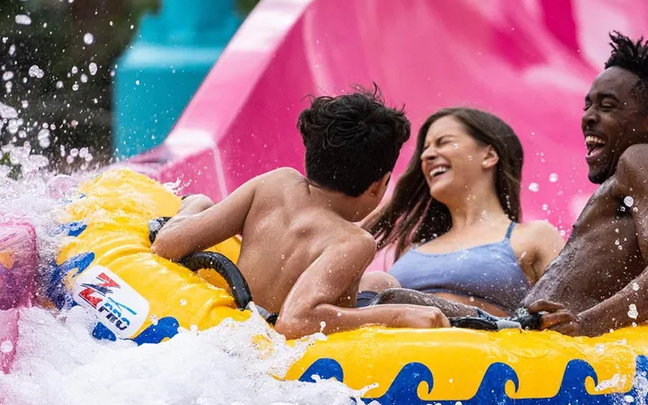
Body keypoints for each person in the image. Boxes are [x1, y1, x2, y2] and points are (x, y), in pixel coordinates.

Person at [375, 32, 648, 336]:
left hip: (540, 342)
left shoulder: (643, 160)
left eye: (607, 107)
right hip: (518, 330)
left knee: (390, 301)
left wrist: (585, 325)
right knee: (393, 297)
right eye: (588, 105)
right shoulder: (625, 184)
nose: (588, 117)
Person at [151, 86, 450, 339]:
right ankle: (486, 320)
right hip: (274, 351)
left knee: (381, 283)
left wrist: (191, 207)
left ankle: (197, 205)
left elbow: (167, 244)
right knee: (390, 292)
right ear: (379, 185)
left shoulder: (275, 183)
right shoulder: (353, 241)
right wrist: (399, 316)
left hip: (235, 322)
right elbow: (295, 322)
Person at [362, 108, 564, 317]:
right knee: (375, 282)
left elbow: (569, 317)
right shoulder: (412, 250)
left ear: (488, 155)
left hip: (487, 345)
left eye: (443, 142)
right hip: (401, 346)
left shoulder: (535, 236)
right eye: (425, 148)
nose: (426, 155)